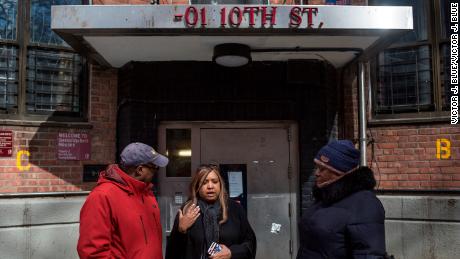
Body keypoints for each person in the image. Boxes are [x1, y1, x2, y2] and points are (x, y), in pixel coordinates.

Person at [296, 140, 386, 259]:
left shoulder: (365, 204)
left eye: (323, 169)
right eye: (317, 167)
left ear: (339, 172)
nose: (316, 173)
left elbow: (369, 254)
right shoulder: (325, 197)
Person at [77, 142, 168, 259]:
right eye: (155, 167)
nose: (156, 171)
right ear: (140, 170)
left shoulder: (147, 192)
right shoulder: (102, 196)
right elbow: (92, 252)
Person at [166, 165, 256, 259]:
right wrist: (180, 230)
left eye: (215, 182)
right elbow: (172, 253)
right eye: (204, 183)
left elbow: (250, 244)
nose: (210, 186)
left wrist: (231, 253)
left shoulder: (235, 209)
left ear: (220, 184)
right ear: (197, 186)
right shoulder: (187, 211)